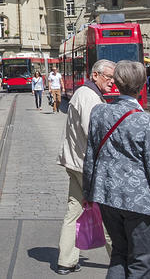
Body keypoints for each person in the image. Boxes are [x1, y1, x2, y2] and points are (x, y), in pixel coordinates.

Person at [84, 60, 150, 279]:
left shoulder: (99, 113)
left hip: (107, 198)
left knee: (119, 253)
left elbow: (90, 156)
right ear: (142, 85)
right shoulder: (146, 121)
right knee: (140, 262)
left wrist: (88, 194)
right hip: (138, 203)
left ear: (116, 83)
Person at [55, 59, 116, 275]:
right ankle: (119, 260)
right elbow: (94, 132)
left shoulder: (85, 94)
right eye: (108, 77)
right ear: (96, 75)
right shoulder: (90, 97)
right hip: (87, 166)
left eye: (113, 77)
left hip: (75, 162)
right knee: (107, 212)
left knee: (74, 211)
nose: (112, 81)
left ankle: (66, 260)